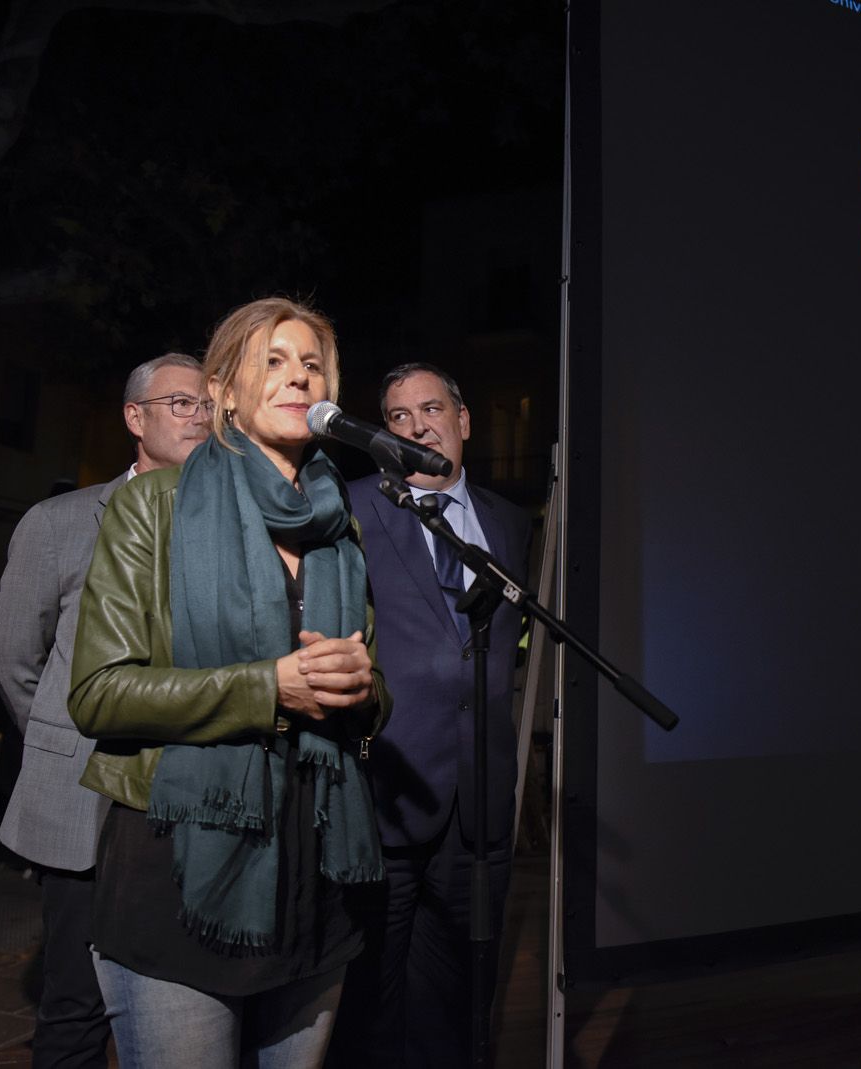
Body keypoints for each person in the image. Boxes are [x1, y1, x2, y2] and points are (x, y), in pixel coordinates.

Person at [66, 297, 389, 1068]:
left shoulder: (338, 524)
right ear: (223, 393)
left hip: (313, 876)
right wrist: (266, 687)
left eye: (312, 364)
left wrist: (364, 687)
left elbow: (373, 698)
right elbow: (98, 692)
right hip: (178, 870)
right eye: (272, 360)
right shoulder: (154, 507)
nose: (298, 376)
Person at [0, 352, 210, 1068]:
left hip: (190, 800)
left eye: (209, 403)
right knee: (76, 1006)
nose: (199, 416)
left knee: (186, 1004)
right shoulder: (59, 521)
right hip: (85, 797)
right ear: (133, 416)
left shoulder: (229, 522)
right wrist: (62, 736)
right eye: (181, 402)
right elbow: (16, 655)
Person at [332, 363, 531, 1067]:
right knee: (371, 999)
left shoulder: (510, 524)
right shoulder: (352, 508)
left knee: (462, 994)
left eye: (431, 408)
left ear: (464, 418)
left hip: (479, 796)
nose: (417, 426)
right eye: (397, 416)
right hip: (388, 787)